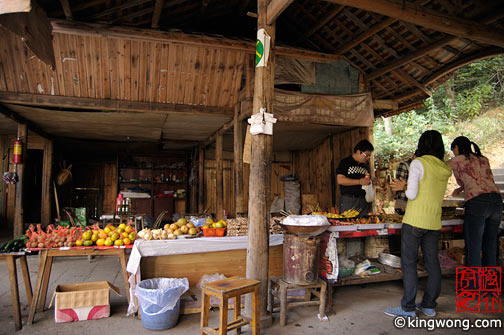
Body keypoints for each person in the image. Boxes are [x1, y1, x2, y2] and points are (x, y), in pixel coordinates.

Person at [386, 130, 452, 318]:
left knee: (409, 263)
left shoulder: (418, 163)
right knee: (433, 264)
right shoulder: (444, 168)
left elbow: (412, 194)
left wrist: (403, 187)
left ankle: (407, 308)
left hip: (414, 221)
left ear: (422, 144)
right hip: (433, 222)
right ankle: (429, 305)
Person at [448, 136, 502, 267]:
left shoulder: (457, 160)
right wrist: (461, 188)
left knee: (474, 248)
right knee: (490, 247)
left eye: (453, 150)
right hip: (496, 201)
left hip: (478, 203)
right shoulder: (483, 159)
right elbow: (482, 179)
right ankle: (490, 287)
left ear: (456, 147)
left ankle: (474, 287)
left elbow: (439, 167)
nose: (453, 153)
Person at [336, 139, 374, 217]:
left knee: (364, 224)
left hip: (363, 201)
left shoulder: (365, 167)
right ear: (358, 151)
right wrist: (359, 181)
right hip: (349, 199)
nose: (368, 158)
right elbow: (340, 180)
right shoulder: (345, 162)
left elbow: (367, 182)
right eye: (366, 155)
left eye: (369, 156)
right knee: (347, 223)